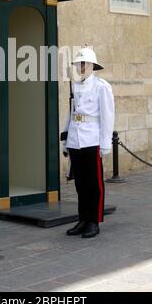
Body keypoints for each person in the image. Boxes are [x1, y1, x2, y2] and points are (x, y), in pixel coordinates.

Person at [62, 47, 115, 238]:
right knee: (80, 184)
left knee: (94, 184)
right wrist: (66, 139)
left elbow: (107, 117)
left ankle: (94, 221)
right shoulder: (76, 86)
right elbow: (72, 114)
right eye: (78, 64)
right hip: (76, 140)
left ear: (92, 65)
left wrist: (106, 143)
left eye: (84, 63)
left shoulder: (102, 86)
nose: (81, 67)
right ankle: (83, 219)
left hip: (92, 139)